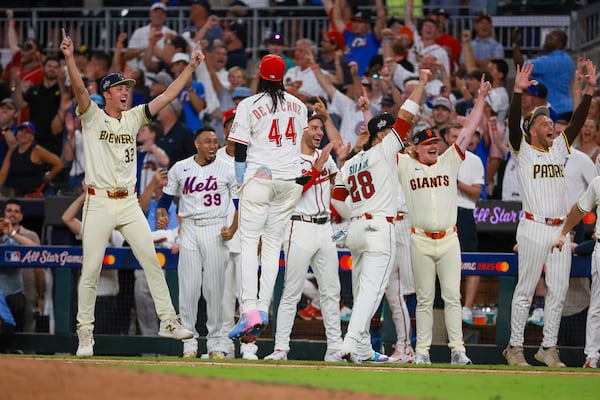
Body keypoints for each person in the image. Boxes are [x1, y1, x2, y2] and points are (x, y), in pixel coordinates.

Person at [60, 28, 195, 357]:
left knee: (151, 260)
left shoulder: (134, 117)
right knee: (91, 268)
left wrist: (191, 68)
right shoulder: (92, 117)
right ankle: (85, 333)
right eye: (121, 87)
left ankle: (168, 320)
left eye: (128, 87)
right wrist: (68, 58)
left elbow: (166, 98)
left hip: (129, 201)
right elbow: (79, 89)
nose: (126, 92)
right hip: (99, 200)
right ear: (107, 93)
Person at [330, 69, 429, 363]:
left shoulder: (351, 162)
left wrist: (355, 216)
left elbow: (336, 199)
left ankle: (361, 348)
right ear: (382, 135)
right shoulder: (384, 150)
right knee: (372, 292)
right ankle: (348, 343)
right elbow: (408, 114)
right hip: (379, 228)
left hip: (358, 229)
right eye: (389, 131)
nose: (394, 135)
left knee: (363, 290)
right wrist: (422, 83)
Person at [502, 61, 596, 368]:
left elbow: (579, 122)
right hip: (532, 227)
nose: (551, 127)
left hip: (559, 231)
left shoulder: (559, 150)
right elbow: (513, 120)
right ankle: (515, 347)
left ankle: (548, 348)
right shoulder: (523, 150)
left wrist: (589, 91)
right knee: (525, 290)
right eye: (545, 124)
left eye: (552, 124)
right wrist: (517, 91)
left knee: (558, 292)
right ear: (531, 129)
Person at [396, 76, 490, 365]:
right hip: (420, 239)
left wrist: (481, 100)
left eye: (435, 142)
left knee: (452, 297)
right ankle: (422, 351)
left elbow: (469, 129)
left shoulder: (449, 161)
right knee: (424, 299)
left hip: (449, 239)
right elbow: (395, 136)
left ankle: (457, 350)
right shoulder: (406, 165)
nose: (433, 146)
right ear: (416, 149)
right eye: (427, 144)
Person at [227, 54, 307, 340]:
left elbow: (239, 150)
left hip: (260, 178)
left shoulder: (248, 105)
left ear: (259, 75)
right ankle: (264, 307)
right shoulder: (299, 105)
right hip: (290, 181)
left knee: (249, 244)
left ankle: (250, 309)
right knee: (273, 246)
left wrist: (239, 183)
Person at [264, 106, 345, 362]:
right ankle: (280, 348)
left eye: (321, 127)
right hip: (298, 226)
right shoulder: (287, 158)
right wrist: (317, 167)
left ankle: (334, 348)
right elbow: (292, 193)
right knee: (292, 291)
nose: (319, 131)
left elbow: (338, 186)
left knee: (331, 291)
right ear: (301, 129)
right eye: (314, 126)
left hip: (325, 227)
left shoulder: (325, 157)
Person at [156, 126, 238, 359]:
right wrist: (162, 215)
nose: (213, 146)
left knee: (214, 289)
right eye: (208, 142)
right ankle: (189, 344)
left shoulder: (227, 169)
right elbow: (165, 200)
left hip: (215, 227)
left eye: (215, 141)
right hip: (189, 228)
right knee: (189, 289)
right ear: (197, 144)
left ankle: (214, 344)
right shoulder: (180, 168)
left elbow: (239, 204)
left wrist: (232, 229)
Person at [552, 180, 600, 368]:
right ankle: (592, 357)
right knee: (596, 305)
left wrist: (564, 232)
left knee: (597, 306)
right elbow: (579, 209)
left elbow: (579, 210)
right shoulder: (597, 183)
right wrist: (564, 231)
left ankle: (592, 356)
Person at [61, 190, 122, 335]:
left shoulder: (118, 233)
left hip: (107, 300)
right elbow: (66, 218)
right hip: (86, 299)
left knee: (105, 346)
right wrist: (86, 194)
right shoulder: (90, 230)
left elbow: (106, 232)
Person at [512, 28, 574, 121]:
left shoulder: (547, 61)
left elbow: (521, 67)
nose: (546, 39)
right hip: (568, 107)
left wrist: (515, 44)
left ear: (560, 43)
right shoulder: (569, 60)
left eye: (551, 38)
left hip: (552, 110)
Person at [0, 121, 64, 197]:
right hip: (21, 194)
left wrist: (48, 177)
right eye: (21, 131)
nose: (23, 134)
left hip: (39, 194)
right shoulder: (12, 149)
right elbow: (3, 172)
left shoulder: (37, 150)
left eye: (27, 132)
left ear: (32, 136)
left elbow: (59, 164)